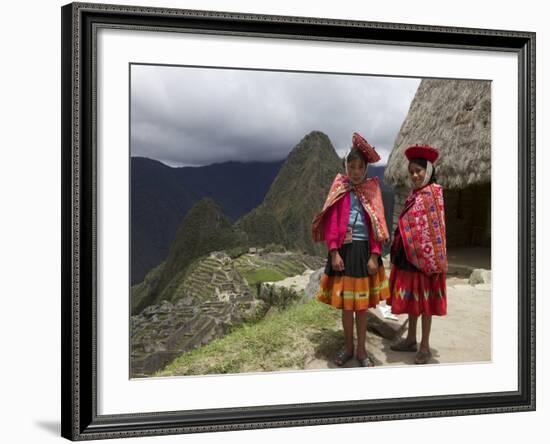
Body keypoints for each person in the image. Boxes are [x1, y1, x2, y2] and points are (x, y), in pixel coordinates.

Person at [312, 132, 390, 367]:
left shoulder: (372, 192)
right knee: (347, 307)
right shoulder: (340, 189)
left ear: (366, 169)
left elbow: (378, 225)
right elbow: (333, 222)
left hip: (364, 252)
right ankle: (347, 348)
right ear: (346, 167)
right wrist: (334, 252)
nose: (356, 171)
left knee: (362, 308)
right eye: (352, 166)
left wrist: (375, 255)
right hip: (344, 254)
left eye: (360, 167)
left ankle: (362, 351)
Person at [387, 144, 447, 365]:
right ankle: (411, 339)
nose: (414, 175)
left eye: (418, 171)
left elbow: (434, 228)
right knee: (413, 300)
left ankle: (424, 346)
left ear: (428, 170)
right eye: (411, 171)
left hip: (426, 261)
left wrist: (426, 253)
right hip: (409, 257)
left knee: (425, 303)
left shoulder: (434, 194)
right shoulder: (415, 194)